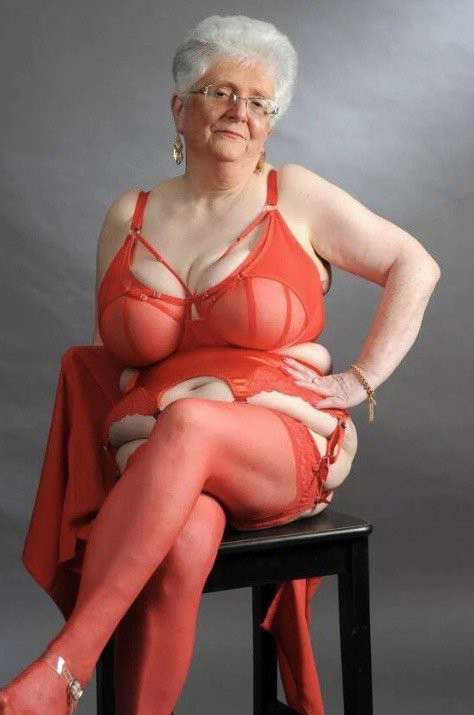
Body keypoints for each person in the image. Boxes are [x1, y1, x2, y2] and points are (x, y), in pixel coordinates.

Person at [0, 13, 440, 715]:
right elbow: (109, 359)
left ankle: (65, 667)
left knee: (192, 423)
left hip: (278, 443)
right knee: (183, 539)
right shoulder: (129, 214)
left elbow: (414, 265)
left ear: (271, 123)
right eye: (221, 92)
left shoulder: (294, 195)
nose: (242, 111)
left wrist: (358, 378)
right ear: (179, 108)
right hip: (161, 451)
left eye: (260, 101)